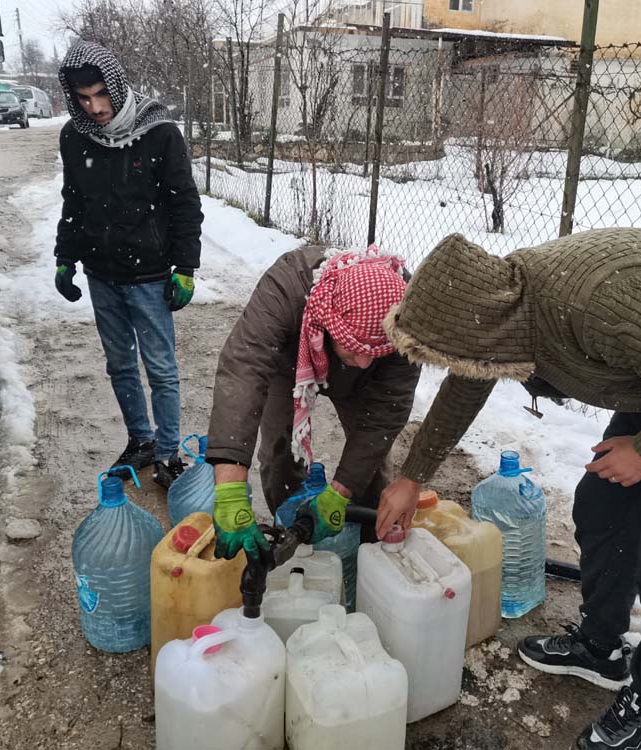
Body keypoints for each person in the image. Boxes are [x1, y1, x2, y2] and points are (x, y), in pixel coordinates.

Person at [378, 228, 641, 750]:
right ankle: (600, 646)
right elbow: (470, 377)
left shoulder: (595, 303)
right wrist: (412, 477)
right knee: (603, 507)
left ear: (483, 326)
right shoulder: (501, 307)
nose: (456, 364)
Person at [205, 245, 420, 562]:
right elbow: (244, 370)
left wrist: (341, 492)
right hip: (292, 363)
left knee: (370, 468)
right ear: (329, 319)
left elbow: (386, 413)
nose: (364, 360)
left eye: (374, 351)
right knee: (278, 455)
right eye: (356, 347)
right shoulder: (286, 288)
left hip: (367, 384)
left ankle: (371, 551)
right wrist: (230, 488)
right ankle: (290, 535)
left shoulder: (407, 318)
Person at [53, 41, 203, 488]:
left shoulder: (159, 133)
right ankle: (141, 440)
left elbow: (184, 204)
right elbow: (74, 202)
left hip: (150, 276)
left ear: (117, 87)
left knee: (161, 369)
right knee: (119, 365)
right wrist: (65, 258)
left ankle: (168, 452)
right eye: (83, 98)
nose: (95, 108)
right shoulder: (75, 136)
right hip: (102, 274)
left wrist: (185, 267)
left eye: (101, 94)